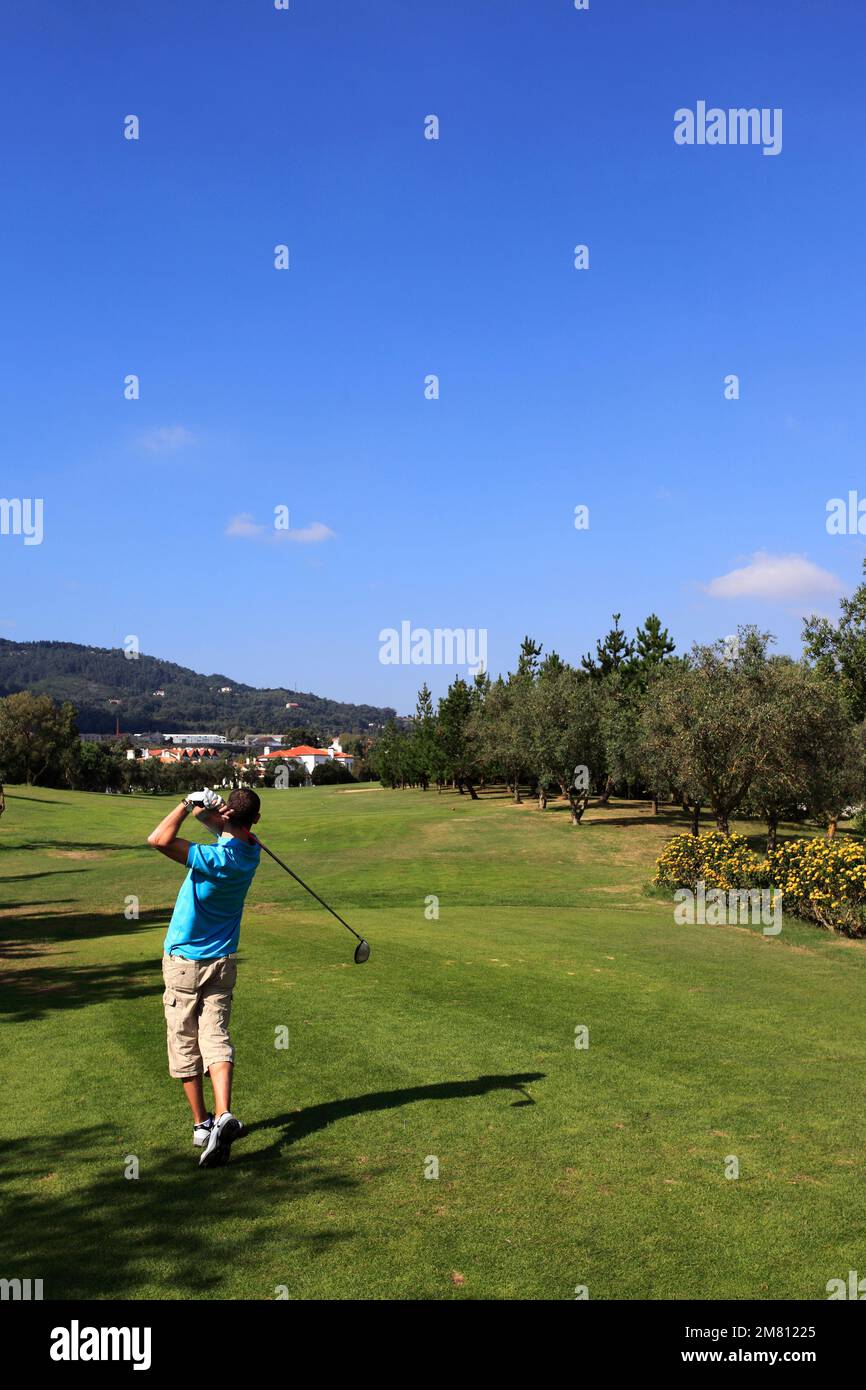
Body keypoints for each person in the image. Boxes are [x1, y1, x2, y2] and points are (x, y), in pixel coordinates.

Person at [147, 787, 261, 1167]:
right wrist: (208, 809)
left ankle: (201, 1125)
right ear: (254, 822)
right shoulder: (252, 850)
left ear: (229, 816)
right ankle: (224, 1113)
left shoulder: (211, 858)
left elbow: (158, 839)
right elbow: (218, 826)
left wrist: (185, 802)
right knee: (216, 1036)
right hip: (223, 962)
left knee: (185, 1041)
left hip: (184, 961)